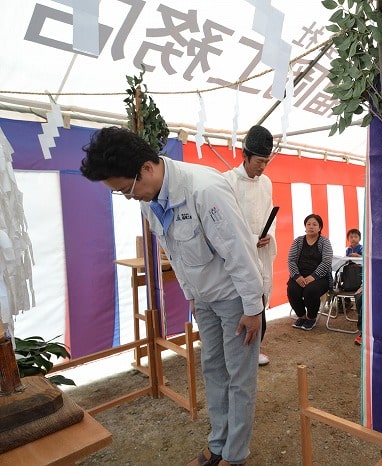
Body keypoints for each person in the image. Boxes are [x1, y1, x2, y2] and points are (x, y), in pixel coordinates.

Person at [80, 127, 263, 466]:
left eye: (124, 189)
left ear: (146, 169)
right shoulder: (151, 201)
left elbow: (240, 251)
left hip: (236, 299)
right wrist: (193, 296)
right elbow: (175, 252)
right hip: (205, 299)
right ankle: (218, 444)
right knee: (213, 371)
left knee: (239, 378)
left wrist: (254, 308)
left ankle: (235, 456)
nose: (128, 197)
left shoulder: (204, 189)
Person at [225, 125, 276, 367]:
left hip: (262, 252)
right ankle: (239, 356)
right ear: (244, 156)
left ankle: (254, 350)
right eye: (259, 161)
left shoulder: (266, 183)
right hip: (239, 255)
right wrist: (250, 237)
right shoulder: (228, 182)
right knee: (241, 305)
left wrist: (268, 235)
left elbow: (269, 215)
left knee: (260, 301)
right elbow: (226, 223)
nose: (263, 166)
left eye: (267, 161)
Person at [287, 214, 333, 330]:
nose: (311, 227)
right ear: (305, 227)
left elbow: (327, 261)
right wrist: (297, 276)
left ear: (320, 228)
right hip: (300, 275)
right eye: (308, 224)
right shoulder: (298, 241)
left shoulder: (324, 241)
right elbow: (291, 260)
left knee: (310, 291)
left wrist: (314, 276)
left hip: (320, 278)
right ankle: (301, 316)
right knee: (292, 289)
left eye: (314, 224)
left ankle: (311, 318)